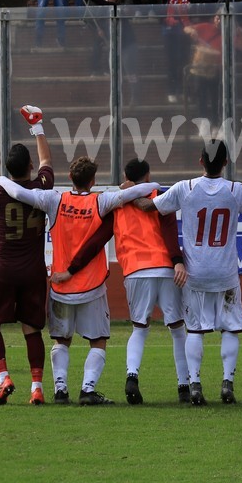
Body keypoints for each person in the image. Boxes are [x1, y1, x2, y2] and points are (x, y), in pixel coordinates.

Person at [0, 148, 160, 405]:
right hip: (92, 287)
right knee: (99, 340)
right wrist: (143, 185)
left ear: (70, 177)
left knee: (61, 339)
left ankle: (60, 390)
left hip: (61, 287)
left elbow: (18, 193)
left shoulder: (54, 200)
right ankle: (88, 390)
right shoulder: (101, 201)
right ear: (92, 181)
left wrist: (1, 179)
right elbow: (137, 192)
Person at [136, 141, 242, 404]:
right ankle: (227, 383)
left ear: (201, 161)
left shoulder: (184, 188)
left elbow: (147, 206)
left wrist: (131, 191)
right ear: (226, 162)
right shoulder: (236, 191)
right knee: (231, 329)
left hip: (195, 273)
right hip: (226, 273)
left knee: (195, 331)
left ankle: (195, 384)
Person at [69, 158, 188, 404]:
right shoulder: (159, 196)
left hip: (135, 270)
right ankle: (184, 386)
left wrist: (73, 267)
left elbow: (97, 239)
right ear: (148, 175)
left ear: (126, 177)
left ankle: (132, 377)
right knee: (177, 329)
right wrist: (177, 260)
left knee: (139, 328)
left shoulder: (118, 204)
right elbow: (169, 232)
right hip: (165, 268)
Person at [0, 109, 53, 406]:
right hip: (35, 270)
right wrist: (37, 126)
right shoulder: (42, 186)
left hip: (4, 270)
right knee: (32, 328)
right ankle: (36, 387)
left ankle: (4, 378)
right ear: (31, 167)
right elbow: (48, 162)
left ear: (8, 170)